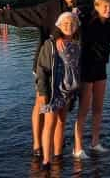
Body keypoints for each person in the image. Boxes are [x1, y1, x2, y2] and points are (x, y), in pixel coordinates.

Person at [0, 0, 80, 156]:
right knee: (41, 103)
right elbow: (27, 14)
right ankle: (37, 144)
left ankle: (55, 144)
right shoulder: (50, 8)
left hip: (66, 69)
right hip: (46, 64)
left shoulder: (81, 10)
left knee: (60, 109)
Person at [36, 12, 81, 170]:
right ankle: (46, 161)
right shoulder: (50, 44)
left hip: (69, 91)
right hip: (54, 91)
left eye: (73, 23)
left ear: (77, 26)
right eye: (66, 23)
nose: (69, 26)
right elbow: (41, 69)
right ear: (59, 26)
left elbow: (76, 68)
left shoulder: (77, 44)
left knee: (62, 122)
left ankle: (58, 155)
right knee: (49, 124)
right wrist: (42, 92)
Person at [73, 0, 110, 159]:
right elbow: (72, 19)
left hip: (101, 68)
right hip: (86, 68)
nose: (108, 10)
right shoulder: (86, 21)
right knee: (83, 109)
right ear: (96, 7)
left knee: (98, 108)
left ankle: (95, 143)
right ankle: (77, 148)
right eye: (105, 6)